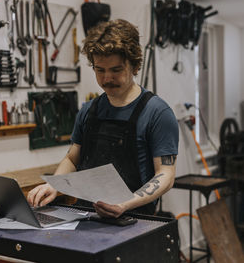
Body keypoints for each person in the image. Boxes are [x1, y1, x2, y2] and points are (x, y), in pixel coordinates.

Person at [27, 19, 179, 218]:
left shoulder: (157, 113)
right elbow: (73, 158)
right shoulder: (89, 110)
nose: (107, 78)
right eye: (100, 70)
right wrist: (54, 185)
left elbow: (166, 174)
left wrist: (125, 203)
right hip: (86, 217)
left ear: (134, 66)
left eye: (116, 70)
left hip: (134, 219)